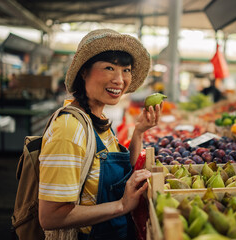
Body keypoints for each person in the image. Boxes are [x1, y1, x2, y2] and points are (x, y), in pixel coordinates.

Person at [38, 29, 161, 239]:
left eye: (126, 70)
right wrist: (121, 205)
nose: (120, 79)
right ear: (84, 72)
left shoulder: (97, 119)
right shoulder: (70, 128)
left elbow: (121, 174)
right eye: (109, 67)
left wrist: (138, 131)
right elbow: (51, 216)